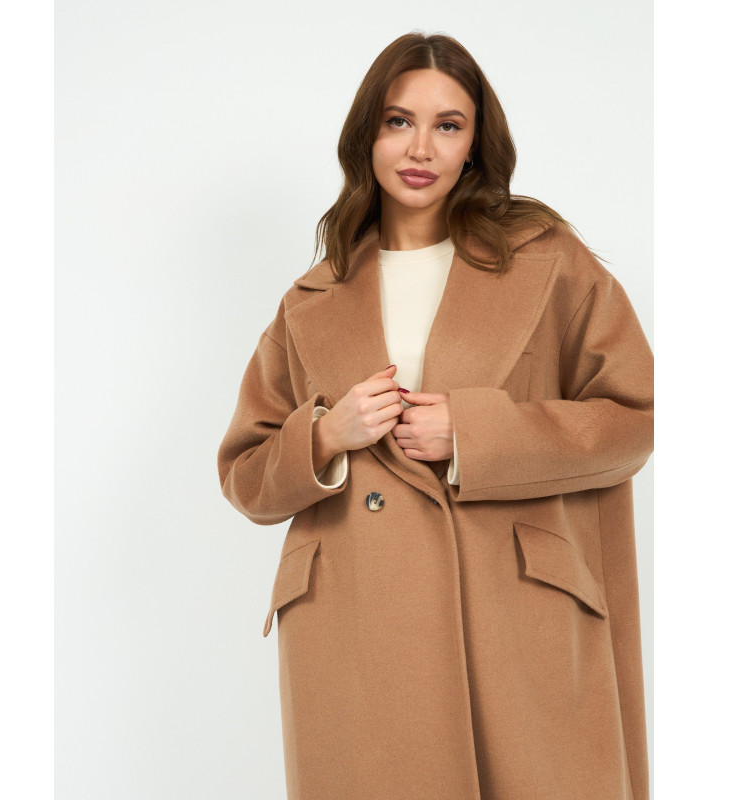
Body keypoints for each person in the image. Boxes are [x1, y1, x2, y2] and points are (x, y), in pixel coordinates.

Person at [217, 31, 653, 800]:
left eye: (448, 125)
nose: (421, 147)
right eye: (399, 121)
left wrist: (476, 436)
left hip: (514, 612)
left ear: (475, 144)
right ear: (368, 135)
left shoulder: (547, 261)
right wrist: (325, 436)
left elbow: (635, 419)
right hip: (357, 630)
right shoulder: (311, 300)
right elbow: (246, 476)